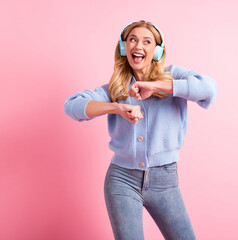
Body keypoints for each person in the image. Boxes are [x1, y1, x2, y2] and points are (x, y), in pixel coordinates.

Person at [64, 20, 217, 240]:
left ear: (157, 51)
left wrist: (156, 86)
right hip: (122, 180)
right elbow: (72, 106)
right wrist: (117, 107)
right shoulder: (116, 88)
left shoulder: (173, 76)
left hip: (165, 181)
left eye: (147, 41)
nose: (138, 45)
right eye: (132, 40)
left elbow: (209, 90)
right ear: (124, 47)